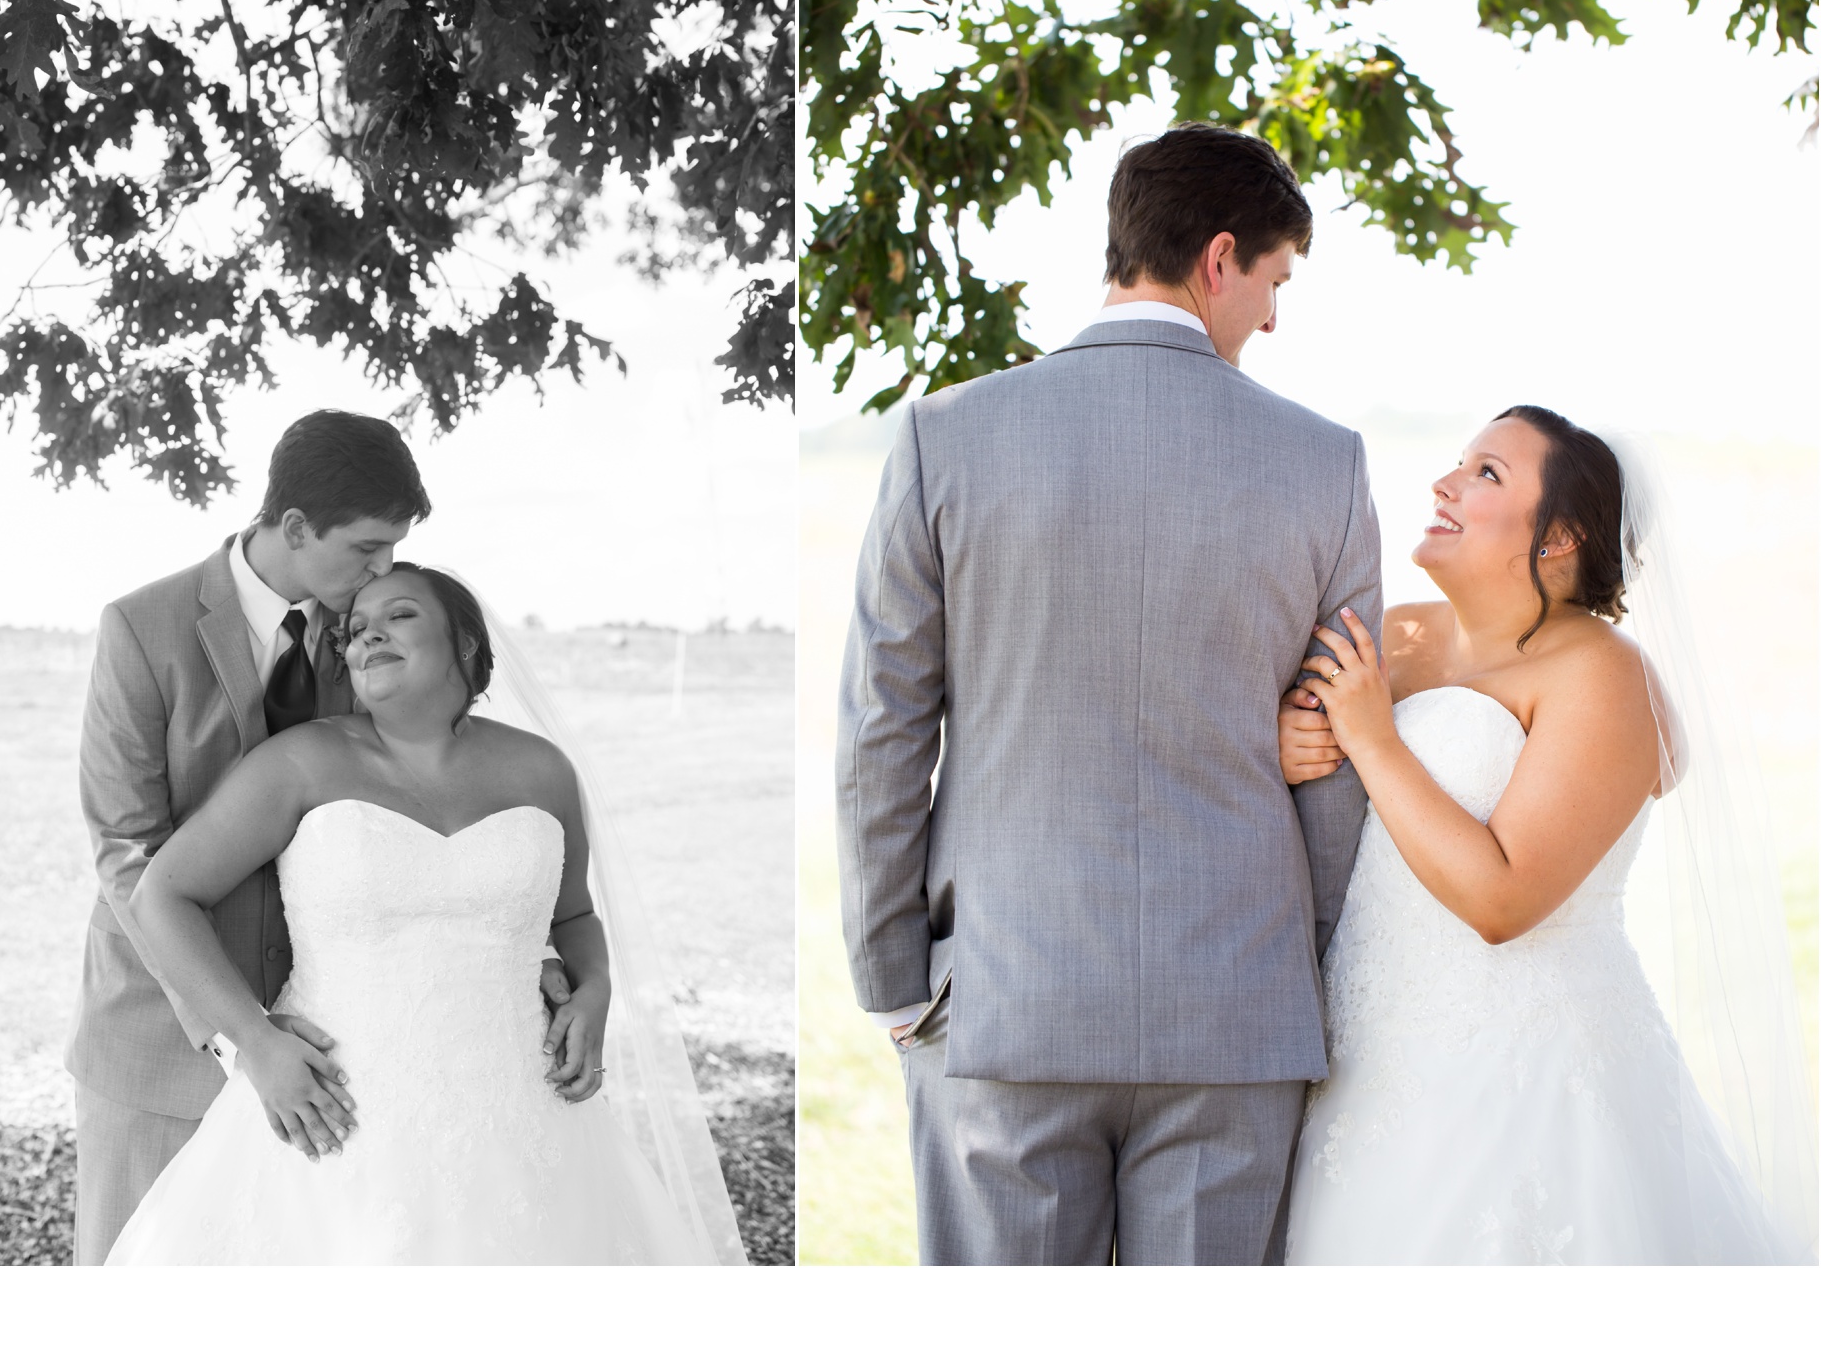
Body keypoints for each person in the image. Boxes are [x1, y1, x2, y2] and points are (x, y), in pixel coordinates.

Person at [836, 122, 1382, 1264]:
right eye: (1274, 283)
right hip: (1236, 1012)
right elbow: (1334, 752)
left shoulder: (943, 437)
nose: (1272, 319)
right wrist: (1311, 973)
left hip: (997, 1000)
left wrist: (894, 980)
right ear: (1219, 259)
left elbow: (883, 730)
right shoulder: (1323, 463)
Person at [1278, 408, 1814, 1263]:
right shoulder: (1397, 635)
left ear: (1560, 535)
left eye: (1487, 474)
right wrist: (1297, 743)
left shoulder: (1603, 673)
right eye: (1458, 463)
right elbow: (1298, 743)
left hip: (1524, 1080)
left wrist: (1373, 741)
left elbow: (1504, 897)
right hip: (1367, 1064)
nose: (1445, 484)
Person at [104, 564, 741, 1263]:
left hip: (526, 1111)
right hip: (336, 1113)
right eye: (353, 629)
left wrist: (595, 990)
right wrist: (255, 1043)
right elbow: (161, 896)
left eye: (398, 615)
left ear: (465, 643)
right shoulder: (299, 763)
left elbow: (575, 916)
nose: (366, 634)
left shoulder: (542, 771)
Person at [64, 409, 454, 1263]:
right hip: (160, 1042)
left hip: (335, 1045)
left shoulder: (372, 629)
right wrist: (243, 1032)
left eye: (394, 546)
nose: (385, 567)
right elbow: (127, 849)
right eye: (366, 548)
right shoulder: (142, 628)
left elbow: (425, 796)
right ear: (294, 526)